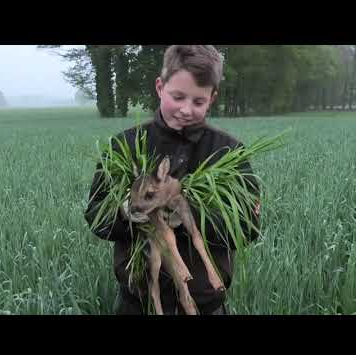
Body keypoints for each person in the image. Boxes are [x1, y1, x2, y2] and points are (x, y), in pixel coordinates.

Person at [84, 45, 261, 315]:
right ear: (159, 87)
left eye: (198, 102)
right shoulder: (125, 146)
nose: (186, 110)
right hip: (138, 304)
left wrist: (187, 212)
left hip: (206, 304)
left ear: (212, 98)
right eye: (177, 97)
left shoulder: (229, 151)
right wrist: (127, 212)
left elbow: (248, 226)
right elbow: (96, 215)